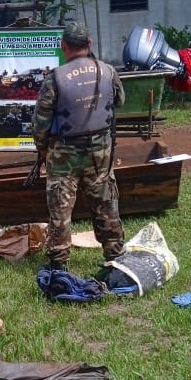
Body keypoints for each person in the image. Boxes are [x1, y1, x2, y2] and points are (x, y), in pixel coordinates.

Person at [32, 21, 126, 267]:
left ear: (64, 46)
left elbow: (41, 122)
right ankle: (114, 255)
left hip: (63, 155)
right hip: (100, 153)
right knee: (105, 202)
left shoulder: (54, 78)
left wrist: (42, 149)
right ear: (89, 44)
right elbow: (119, 100)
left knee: (61, 209)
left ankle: (59, 262)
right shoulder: (107, 70)